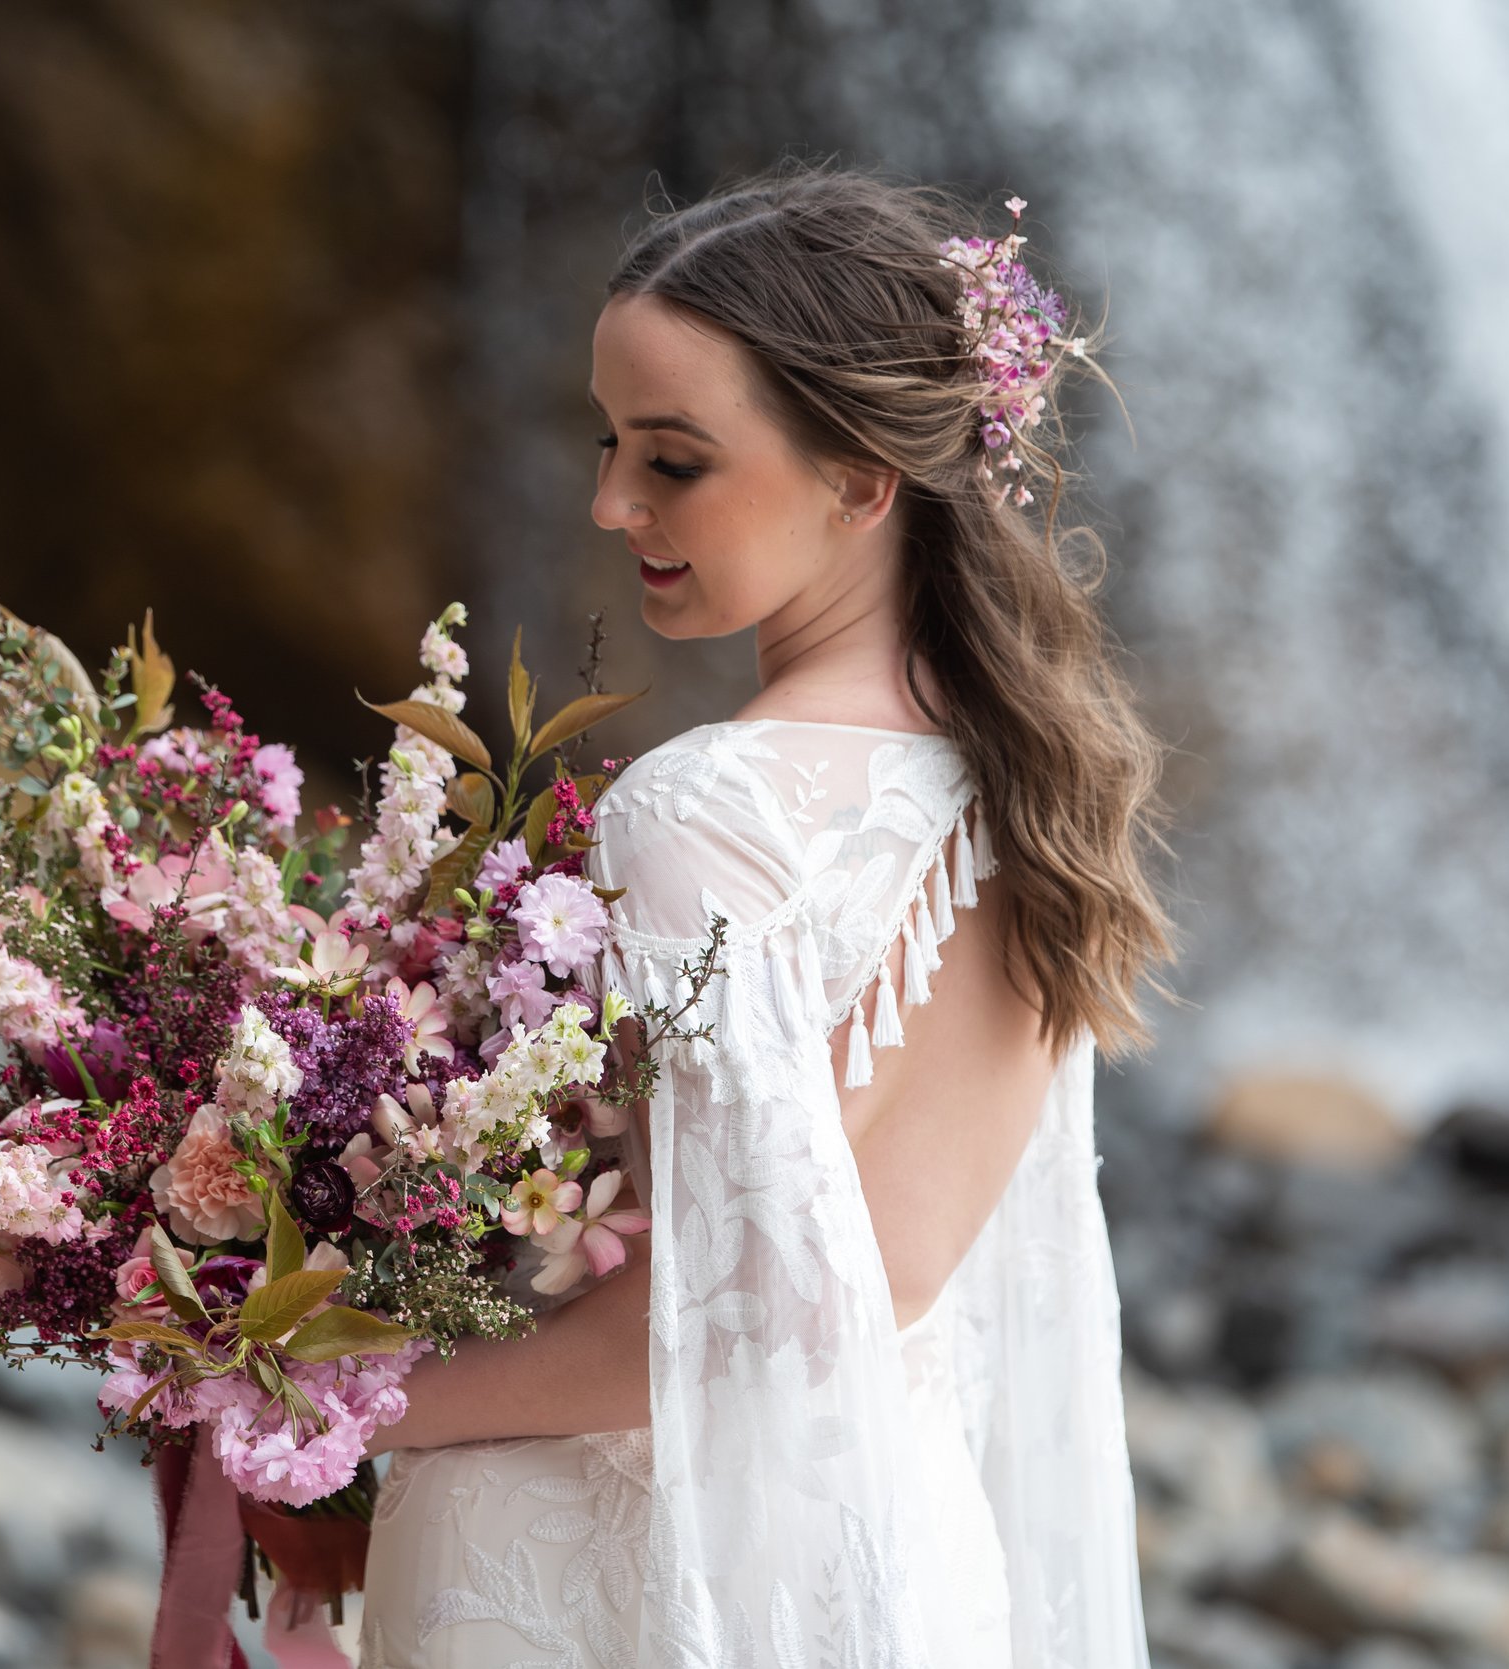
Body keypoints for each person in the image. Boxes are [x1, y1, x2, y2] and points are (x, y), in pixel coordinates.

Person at [358, 162, 1173, 1669]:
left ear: (863, 478)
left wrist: (294, 1391)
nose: (610, 503)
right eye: (610, 445)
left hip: (637, 1581)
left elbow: (742, 1323)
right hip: (905, 1561)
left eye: (674, 461)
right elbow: (890, 1286)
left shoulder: (706, 809)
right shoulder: (1027, 786)